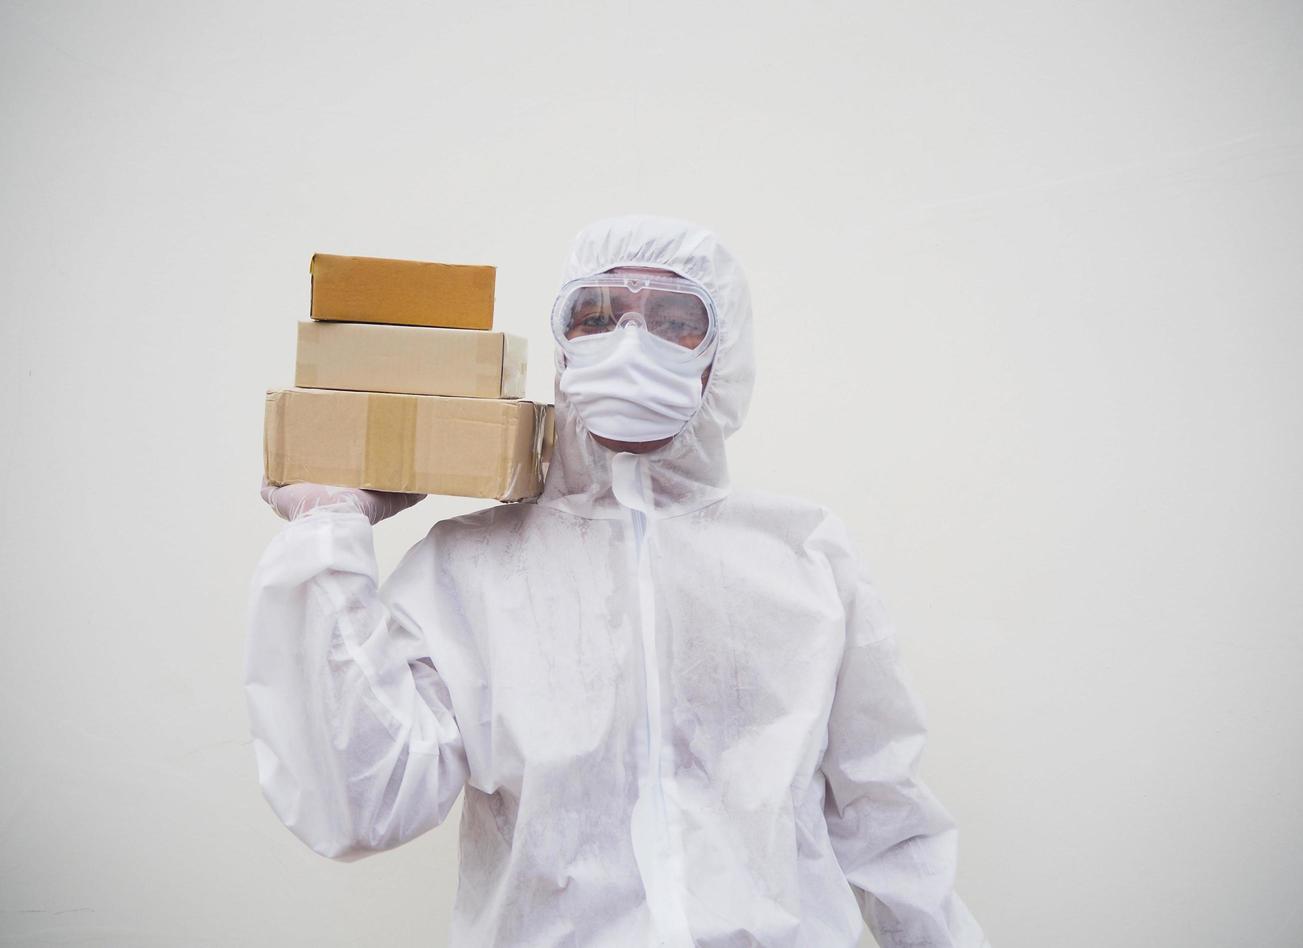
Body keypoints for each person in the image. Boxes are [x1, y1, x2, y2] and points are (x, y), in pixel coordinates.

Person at [246, 215, 991, 947]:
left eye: (673, 320)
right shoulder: (467, 571)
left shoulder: (803, 557)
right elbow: (363, 802)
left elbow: (883, 814)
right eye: (597, 316)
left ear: (721, 356)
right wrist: (327, 536)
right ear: (564, 350)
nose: (629, 343)